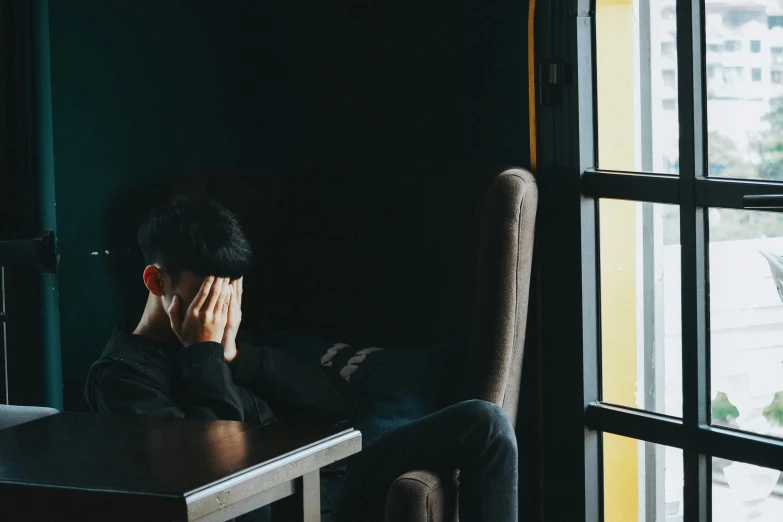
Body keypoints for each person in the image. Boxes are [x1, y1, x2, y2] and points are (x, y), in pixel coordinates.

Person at [85, 196, 518, 522]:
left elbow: (339, 404)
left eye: (232, 293)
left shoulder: (231, 339)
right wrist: (204, 353)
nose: (224, 311)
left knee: (486, 423)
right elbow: (217, 477)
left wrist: (236, 356)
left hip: (336, 477)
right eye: (209, 298)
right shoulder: (122, 378)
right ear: (156, 282)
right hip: (285, 509)